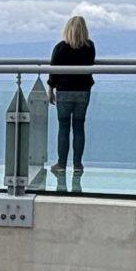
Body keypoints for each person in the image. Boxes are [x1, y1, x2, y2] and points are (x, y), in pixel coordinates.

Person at [48, 13, 95, 181]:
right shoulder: (89, 47)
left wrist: (50, 89)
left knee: (63, 128)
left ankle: (61, 165)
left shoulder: (61, 48)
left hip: (64, 92)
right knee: (79, 127)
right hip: (83, 92)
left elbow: (53, 70)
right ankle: (77, 165)